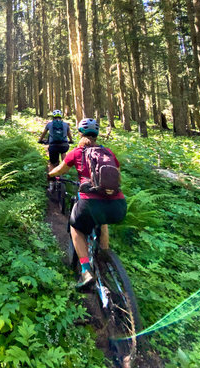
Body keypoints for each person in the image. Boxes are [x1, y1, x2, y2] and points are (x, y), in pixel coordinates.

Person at [48, 118, 127, 290]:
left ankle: (85, 270)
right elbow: (118, 177)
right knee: (102, 219)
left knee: (75, 226)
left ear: (79, 134)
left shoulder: (77, 152)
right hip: (118, 204)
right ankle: (105, 259)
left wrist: (50, 175)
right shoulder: (108, 153)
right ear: (97, 135)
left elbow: (60, 170)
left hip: (89, 202)